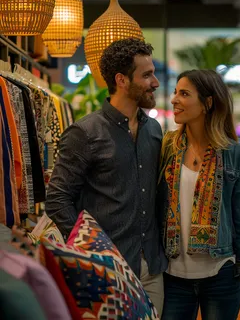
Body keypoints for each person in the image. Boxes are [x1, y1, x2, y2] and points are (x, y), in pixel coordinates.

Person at [45, 38, 168, 315]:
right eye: (147, 75)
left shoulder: (154, 131)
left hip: (151, 268)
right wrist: (89, 249)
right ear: (122, 80)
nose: (155, 83)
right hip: (106, 270)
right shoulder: (86, 133)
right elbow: (57, 198)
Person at [158, 69, 240, 320]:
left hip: (221, 276)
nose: (174, 100)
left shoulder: (234, 154)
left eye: (184, 94)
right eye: (175, 93)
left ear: (207, 103)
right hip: (172, 278)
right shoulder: (166, 148)